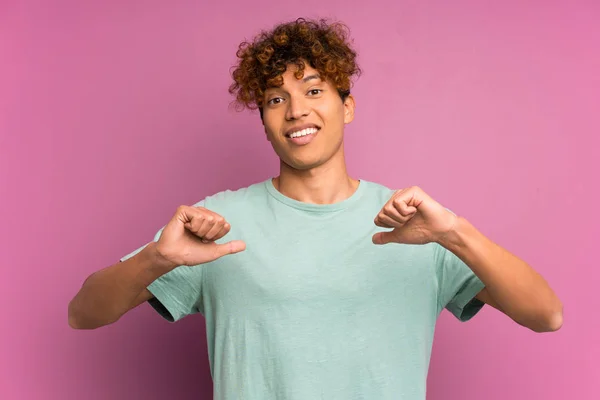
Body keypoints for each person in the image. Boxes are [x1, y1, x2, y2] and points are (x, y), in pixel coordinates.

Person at [68, 18, 563, 400]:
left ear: (347, 105)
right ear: (263, 122)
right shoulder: (216, 223)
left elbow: (546, 315)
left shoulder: (415, 224)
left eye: (313, 91)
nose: (296, 110)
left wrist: (455, 233)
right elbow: (84, 313)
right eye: (275, 98)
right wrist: (158, 257)